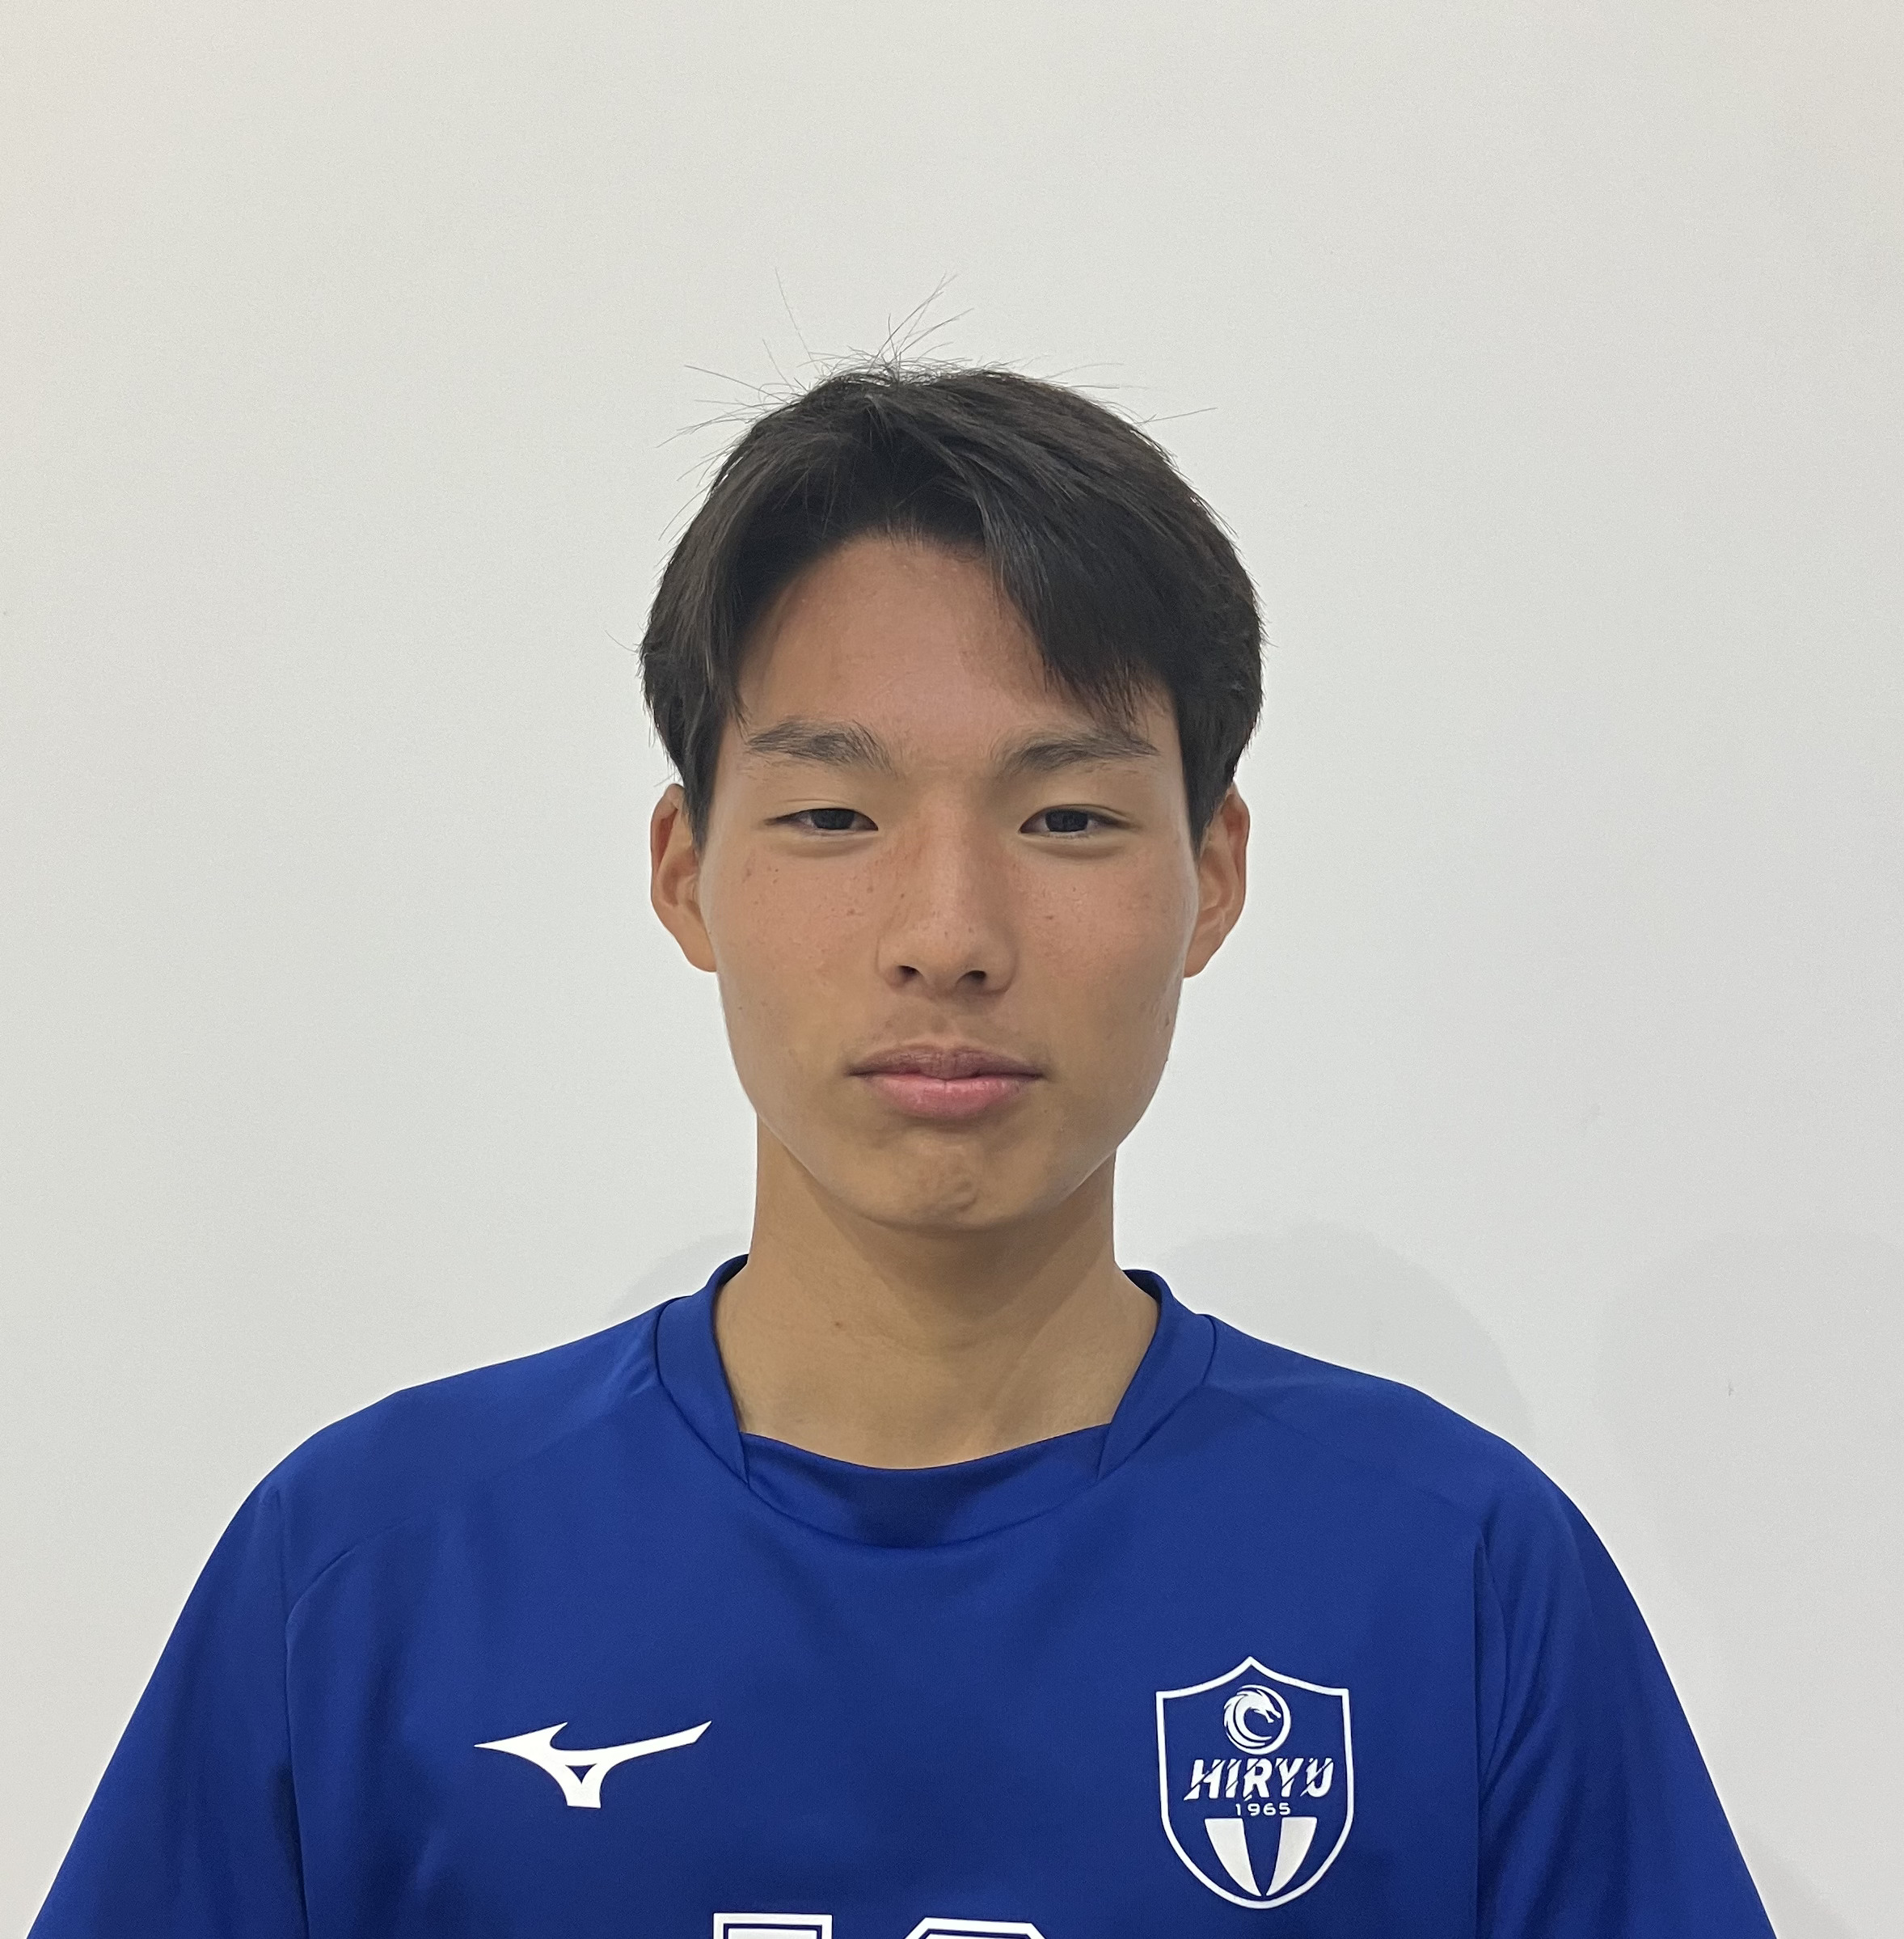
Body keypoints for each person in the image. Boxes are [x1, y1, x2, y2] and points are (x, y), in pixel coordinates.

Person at [31, 363, 1773, 1938]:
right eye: (832, 814)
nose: (947, 933)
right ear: (683, 870)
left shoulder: (1456, 1578)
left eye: (1066, 815)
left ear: (1212, 874)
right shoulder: (371, 1571)